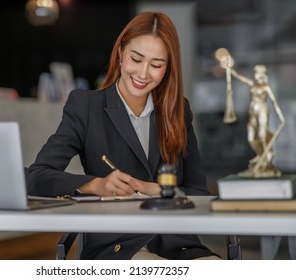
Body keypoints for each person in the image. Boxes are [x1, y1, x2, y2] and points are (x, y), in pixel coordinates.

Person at [28, 11, 220, 260]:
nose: (143, 73)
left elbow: (198, 194)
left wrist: (155, 190)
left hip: (178, 246)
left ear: (168, 67)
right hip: (117, 247)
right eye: (136, 59)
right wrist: (96, 185)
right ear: (120, 53)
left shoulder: (178, 111)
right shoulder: (86, 106)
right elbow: (37, 176)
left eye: (156, 65)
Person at [221, 55, 285, 178]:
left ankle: (265, 162)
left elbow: (274, 102)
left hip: (262, 110)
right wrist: (230, 69)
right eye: (254, 72)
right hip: (252, 111)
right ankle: (261, 156)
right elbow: (241, 78)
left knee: (262, 135)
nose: (255, 75)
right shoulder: (253, 84)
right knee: (251, 137)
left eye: (257, 72)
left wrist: (281, 117)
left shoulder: (265, 87)